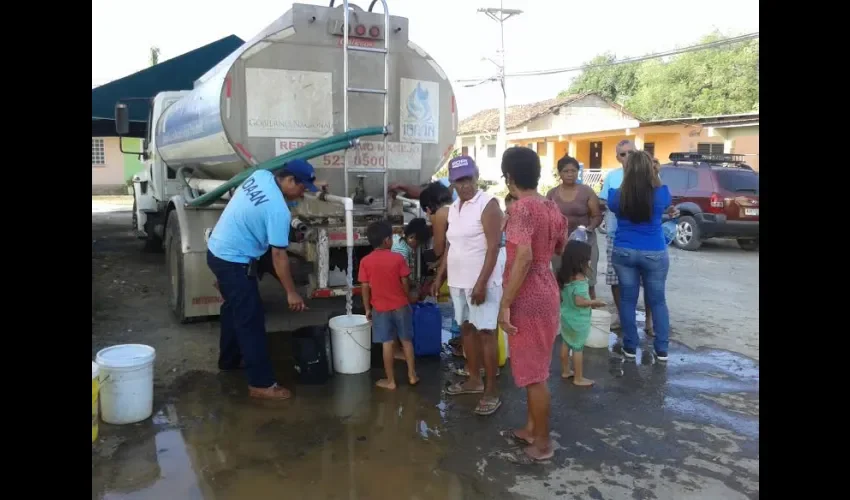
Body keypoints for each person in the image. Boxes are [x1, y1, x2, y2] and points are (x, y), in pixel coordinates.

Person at [206, 159, 320, 400]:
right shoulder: (278, 210)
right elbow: (278, 256)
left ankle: (229, 360)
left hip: (218, 248)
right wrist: (290, 292)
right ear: (289, 180)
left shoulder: (261, 176)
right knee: (251, 318)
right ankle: (261, 384)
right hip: (234, 259)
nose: (303, 193)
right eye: (302, 187)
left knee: (233, 307)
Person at [497, 147, 567, 465]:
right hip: (546, 288)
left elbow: (523, 256)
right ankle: (530, 428)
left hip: (527, 296)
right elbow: (560, 246)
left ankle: (542, 442)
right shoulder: (551, 207)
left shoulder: (521, 209)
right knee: (531, 369)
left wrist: (504, 305)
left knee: (535, 374)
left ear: (510, 177)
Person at [434, 155, 505, 416]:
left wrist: (481, 283)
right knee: (466, 330)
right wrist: (441, 275)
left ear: (476, 176)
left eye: (468, 179)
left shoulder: (488, 204)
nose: (464, 185)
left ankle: (492, 390)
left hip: (481, 283)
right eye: (458, 181)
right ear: (452, 183)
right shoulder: (454, 208)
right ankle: (474, 380)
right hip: (459, 282)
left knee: (486, 332)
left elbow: (494, 246)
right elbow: (452, 245)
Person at [607, 151, 672, 361]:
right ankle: (661, 349)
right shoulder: (661, 193)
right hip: (654, 251)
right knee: (658, 301)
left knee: (627, 300)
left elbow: (613, 205)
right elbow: (664, 197)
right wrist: (655, 174)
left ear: (627, 169)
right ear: (649, 170)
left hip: (624, 251)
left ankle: (630, 346)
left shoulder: (616, 195)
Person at [598, 139, 653, 332]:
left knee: (648, 281)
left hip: (645, 237)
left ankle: (649, 321)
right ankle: (623, 318)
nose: (627, 157)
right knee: (615, 279)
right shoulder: (613, 176)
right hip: (616, 234)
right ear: (617, 157)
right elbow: (603, 201)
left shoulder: (649, 175)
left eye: (631, 152)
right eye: (623, 154)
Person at [358, 220, 419, 390]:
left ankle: (390, 381)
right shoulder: (397, 258)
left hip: (380, 308)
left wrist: (368, 309)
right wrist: (407, 297)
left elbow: (364, 288)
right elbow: (405, 281)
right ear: (386, 241)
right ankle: (412, 375)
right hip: (401, 305)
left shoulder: (365, 261)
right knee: (406, 341)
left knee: (387, 343)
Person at [547, 155, 603, 298]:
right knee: (560, 281)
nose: (570, 174)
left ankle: (589, 315)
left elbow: (597, 216)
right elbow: (546, 218)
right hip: (560, 244)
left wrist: (589, 228)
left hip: (584, 242)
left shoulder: (587, 191)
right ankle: (562, 316)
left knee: (588, 282)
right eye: (566, 171)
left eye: (573, 170)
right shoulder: (552, 194)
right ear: (559, 173)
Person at [557, 240, 607, 386]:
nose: (590, 261)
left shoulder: (565, 276)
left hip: (566, 316)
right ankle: (578, 378)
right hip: (578, 319)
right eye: (588, 258)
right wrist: (594, 302)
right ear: (580, 260)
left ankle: (566, 370)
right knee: (578, 347)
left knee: (566, 342)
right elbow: (579, 301)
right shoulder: (580, 280)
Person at [390, 218, 431, 359]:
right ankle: (397, 350)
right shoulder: (402, 251)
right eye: (418, 242)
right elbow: (400, 277)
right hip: (394, 290)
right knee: (397, 321)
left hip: (394, 288)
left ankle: (397, 348)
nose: (417, 246)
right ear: (412, 237)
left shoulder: (399, 240)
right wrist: (407, 297)